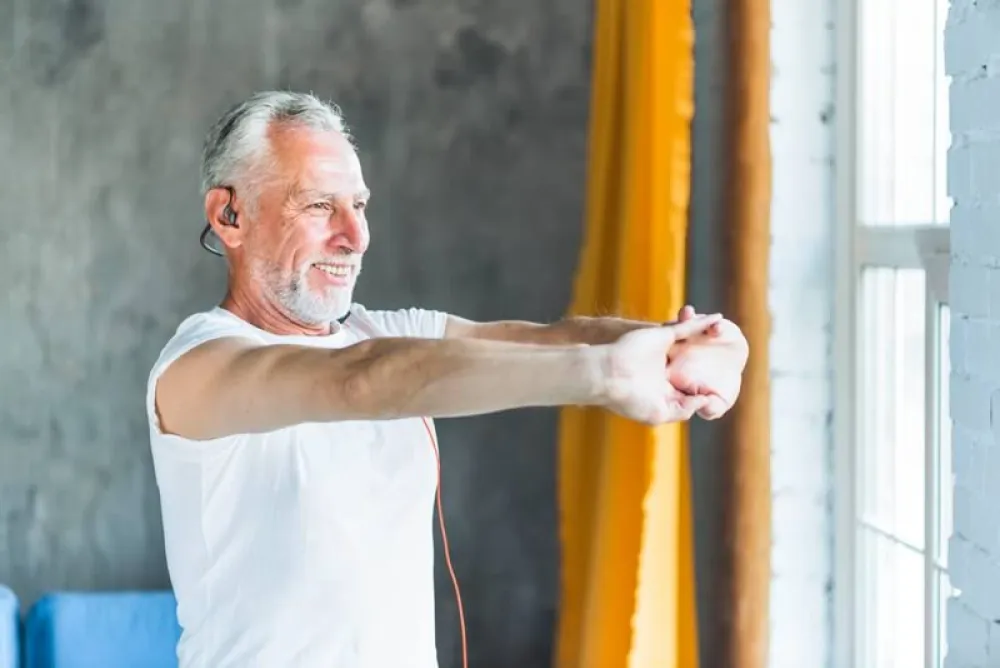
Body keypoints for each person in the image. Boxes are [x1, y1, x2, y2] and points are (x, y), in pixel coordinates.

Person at [146, 91, 749, 668]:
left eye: (359, 205)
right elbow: (357, 383)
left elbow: (545, 338)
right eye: (317, 205)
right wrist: (604, 376)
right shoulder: (199, 367)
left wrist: (678, 346)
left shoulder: (379, 331)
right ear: (230, 215)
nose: (356, 238)